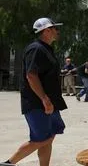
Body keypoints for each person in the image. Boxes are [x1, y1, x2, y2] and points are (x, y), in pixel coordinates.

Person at [3, 17, 67, 166]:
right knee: (41, 139)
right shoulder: (36, 49)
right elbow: (31, 75)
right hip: (38, 102)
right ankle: (8, 163)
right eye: (55, 28)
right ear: (46, 31)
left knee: (49, 136)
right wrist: (44, 98)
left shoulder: (46, 49)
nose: (58, 31)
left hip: (49, 102)